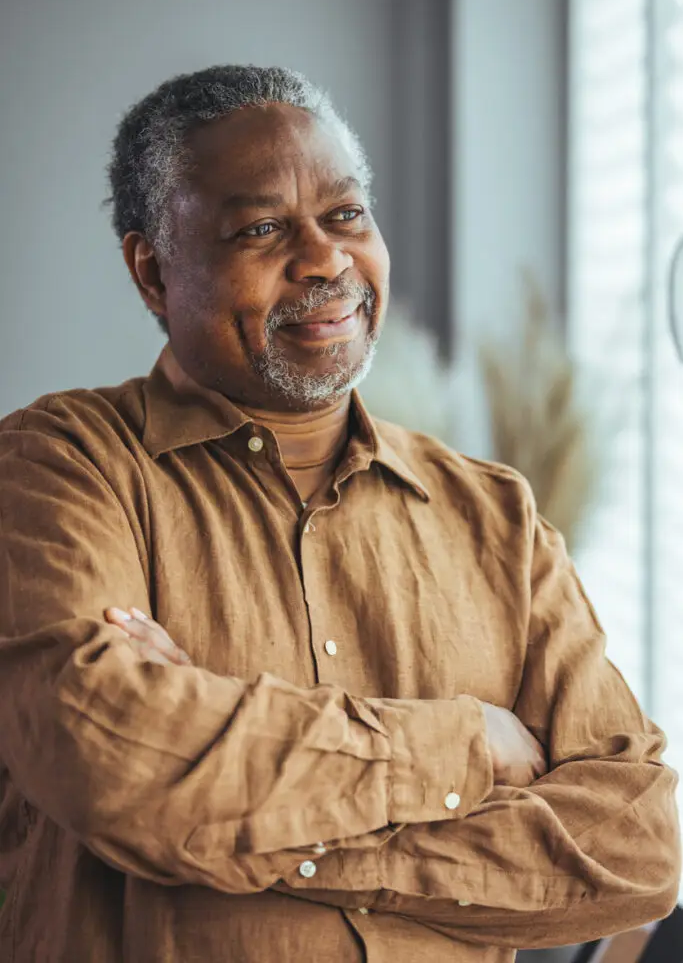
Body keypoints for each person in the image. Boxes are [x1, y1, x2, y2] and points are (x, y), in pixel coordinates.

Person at [0, 64, 678, 963]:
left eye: (346, 214)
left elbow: (636, 844)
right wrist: (466, 745)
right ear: (153, 272)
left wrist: (244, 829)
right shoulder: (60, 466)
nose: (324, 259)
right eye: (262, 228)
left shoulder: (494, 516)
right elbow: (109, 759)